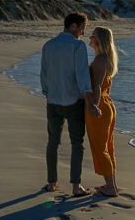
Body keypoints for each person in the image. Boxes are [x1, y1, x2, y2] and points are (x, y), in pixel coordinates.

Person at [40, 12, 101, 196]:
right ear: (73, 26)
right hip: (74, 101)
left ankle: (51, 183)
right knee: (77, 143)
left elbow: (44, 75)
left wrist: (48, 94)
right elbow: (82, 76)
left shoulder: (48, 45)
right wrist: (90, 102)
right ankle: (76, 186)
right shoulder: (77, 46)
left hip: (53, 101)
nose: (82, 33)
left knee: (53, 142)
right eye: (82, 29)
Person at [85, 26, 119, 197]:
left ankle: (110, 188)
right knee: (108, 146)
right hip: (108, 105)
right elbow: (106, 88)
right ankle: (111, 184)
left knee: (100, 147)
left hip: (101, 105)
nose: (89, 37)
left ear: (99, 40)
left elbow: (97, 86)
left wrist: (94, 105)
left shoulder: (99, 61)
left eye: (93, 35)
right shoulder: (106, 59)